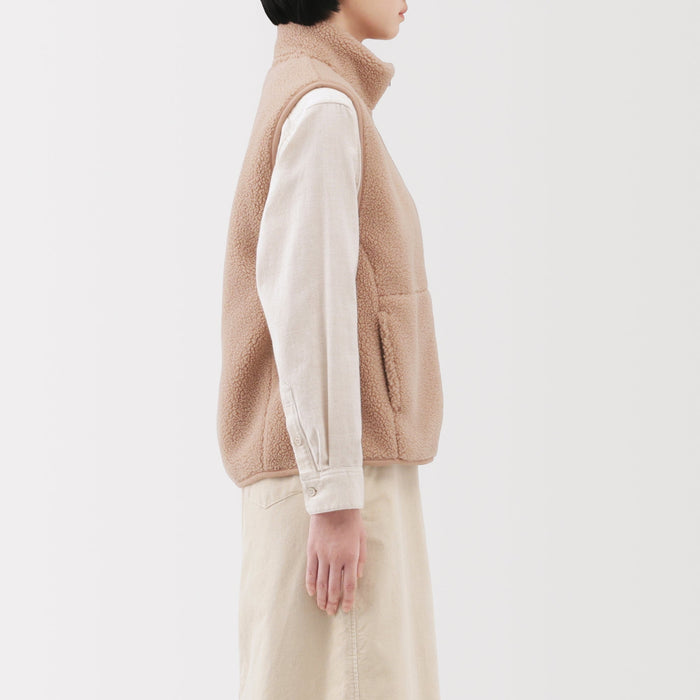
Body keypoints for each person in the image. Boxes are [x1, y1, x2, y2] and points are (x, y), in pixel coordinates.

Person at [216, 1, 444, 697]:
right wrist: (337, 497)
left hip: (333, 473)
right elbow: (311, 305)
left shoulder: (317, 93)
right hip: (338, 481)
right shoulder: (322, 107)